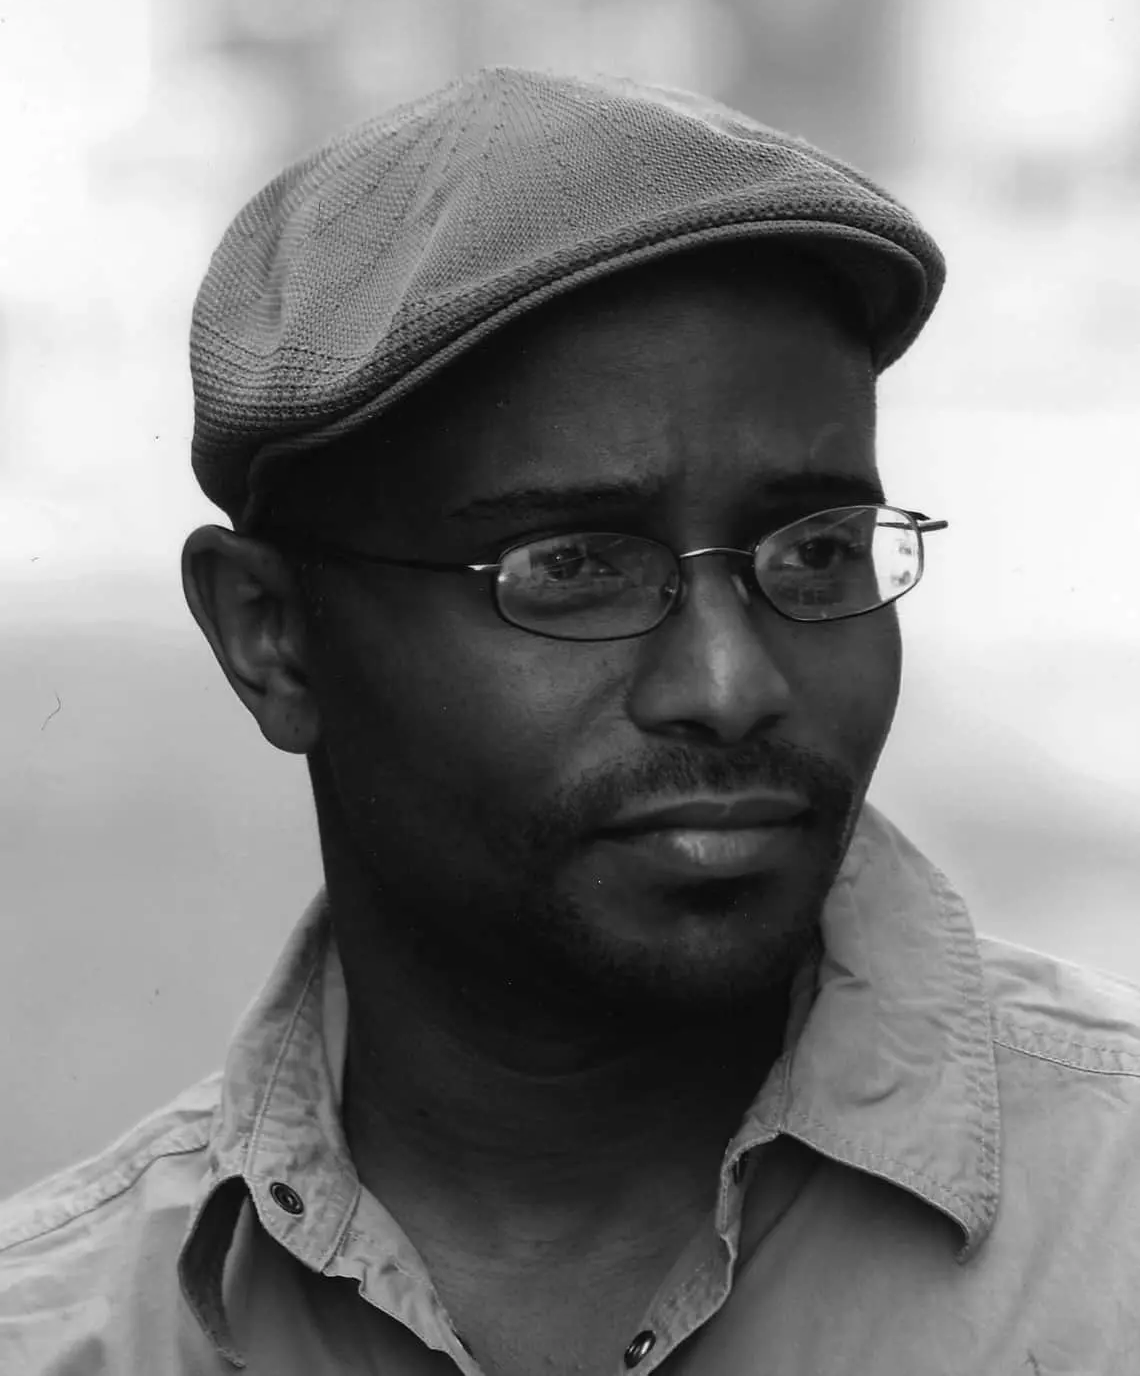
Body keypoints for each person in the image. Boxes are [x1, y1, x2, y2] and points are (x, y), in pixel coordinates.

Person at [2, 67, 1139, 1376]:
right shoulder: (73, 1330)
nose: (730, 680)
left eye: (816, 548)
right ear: (273, 634)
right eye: (575, 565)